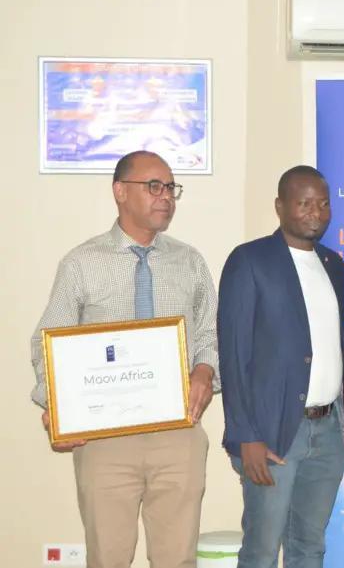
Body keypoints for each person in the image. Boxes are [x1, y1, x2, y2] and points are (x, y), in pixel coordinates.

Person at [30, 150, 219, 568]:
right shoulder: (82, 263)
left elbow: (211, 333)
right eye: (153, 186)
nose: (165, 196)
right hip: (104, 439)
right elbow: (47, 343)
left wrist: (205, 371)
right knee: (108, 558)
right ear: (119, 191)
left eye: (170, 187)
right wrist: (58, 409)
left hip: (178, 434)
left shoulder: (189, 261)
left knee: (177, 559)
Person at [218, 165, 344, 568]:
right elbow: (233, 353)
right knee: (261, 550)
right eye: (305, 203)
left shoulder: (332, 263)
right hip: (273, 433)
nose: (316, 212)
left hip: (328, 430)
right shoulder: (250, 260)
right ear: (280, 206)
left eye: (323, 203)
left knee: (310, 547)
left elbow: (323, 339)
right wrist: (246, 435)